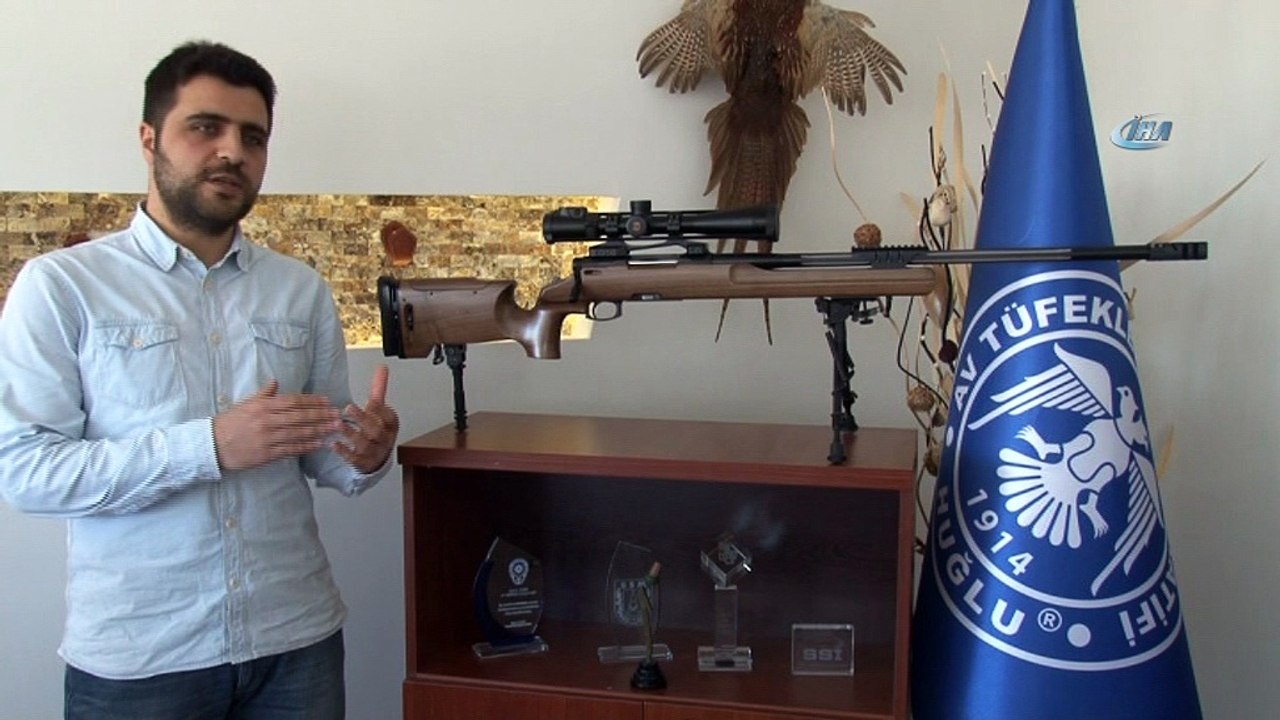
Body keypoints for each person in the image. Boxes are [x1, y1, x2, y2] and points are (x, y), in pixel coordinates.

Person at [0, 41, 400, 720]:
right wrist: (209, 446)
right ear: (149, 138)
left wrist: (365, 452)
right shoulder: (63, 286)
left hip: (295, 641)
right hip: (143, 658)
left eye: (253, 137)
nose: (233, 152)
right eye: (205, 127)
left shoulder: (299, 288)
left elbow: (322, 452)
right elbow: (26, 471)